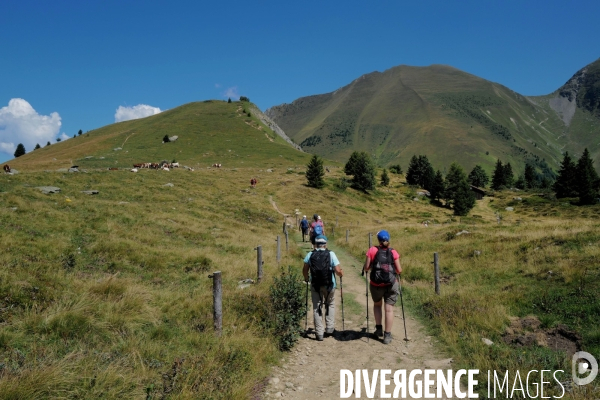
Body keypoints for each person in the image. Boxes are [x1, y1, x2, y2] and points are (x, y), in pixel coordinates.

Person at [363, 230, 402, 344]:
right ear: (388, 239)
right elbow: (399, 270)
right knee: (389, 309)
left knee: (377, 305)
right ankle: (387, 336)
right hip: (391, 284)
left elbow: (366, 268)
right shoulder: (393, 251)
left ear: (378, 239)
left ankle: (378, 329)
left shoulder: (372, 250)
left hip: (376, 284)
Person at [303, 235, 343, 341]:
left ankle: (319, 333)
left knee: (317, 306)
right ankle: (329, 328)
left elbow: (305, 270)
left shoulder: (310, 254)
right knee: (330, 304)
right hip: (329, 284)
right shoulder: (331, 254)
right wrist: (341, 274)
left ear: (315, 244)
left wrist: (307, 278)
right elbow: (338, 271)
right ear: (325, 244)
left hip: (315, 284)